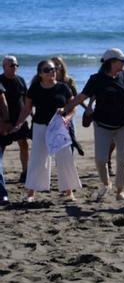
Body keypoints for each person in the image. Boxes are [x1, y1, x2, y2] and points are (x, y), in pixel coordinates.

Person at [62, 48, 124, 202]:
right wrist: (65, 109)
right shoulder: (96, 79)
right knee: (101, 159)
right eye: (122, 60)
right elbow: (82, 96)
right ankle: (105, 183)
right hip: (102, 125)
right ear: (112, 62)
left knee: (123, 161)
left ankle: (120, 191)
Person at [14, 58, 81, 203]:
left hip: (59, 127)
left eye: (53, 69)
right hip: (40, 126)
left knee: (64, 158)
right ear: (40, 74)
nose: (51, 72)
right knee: (38, 159)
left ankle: (69, 192)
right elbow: (27, 108)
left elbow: (72, 107)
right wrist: (19, 123)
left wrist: (67, 119)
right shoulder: (35, 88)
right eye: (47, 70)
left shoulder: (63, 88)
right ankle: (31, 193)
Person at [2, 56, 31, 183]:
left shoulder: (20, 80)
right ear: (4, 67)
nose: (15, 68)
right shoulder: (0, 81)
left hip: (20, 119)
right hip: (4, 121)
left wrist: (29, 115)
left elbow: (27, 100)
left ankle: (25, 172)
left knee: (23, 145)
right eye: (12, 65)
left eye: (16, 65)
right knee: (1, 147)